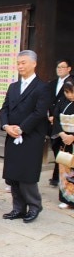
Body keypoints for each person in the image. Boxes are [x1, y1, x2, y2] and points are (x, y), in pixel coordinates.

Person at [1, 50, 50, 223]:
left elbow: (39, 113)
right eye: (18, 62)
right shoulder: (13, 86)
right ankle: (18, 208)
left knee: (27, 174)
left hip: (30, 136)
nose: (20, 66)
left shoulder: (42, 87)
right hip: (12, 135)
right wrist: (7, 126)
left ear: (34, 63)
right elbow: (5, 108)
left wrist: (21, 129)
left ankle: (34, 206)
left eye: (24, 62)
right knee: (13, 174)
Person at [47, 59, 73, 187]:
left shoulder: (71, 81)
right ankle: (63, 189)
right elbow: (55, 114)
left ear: (69, 68)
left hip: (71, 133)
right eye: (58, 67)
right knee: (61, 157)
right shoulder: (53, 85)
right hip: (60, 130)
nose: (59, 69)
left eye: (63, 67)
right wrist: (61, 133)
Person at [51, 78, 74, 209]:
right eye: (67, 92)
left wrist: (73, 137)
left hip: (72, 139)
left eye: (72, 92)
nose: (69, 95)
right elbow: (56, 119)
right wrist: (62, 134)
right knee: (64, 170)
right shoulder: (62, 102)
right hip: (64, 141)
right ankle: (66, 198)